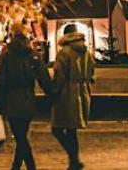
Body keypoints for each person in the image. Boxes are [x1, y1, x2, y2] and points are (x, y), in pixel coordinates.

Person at [0, 22, 51, 170]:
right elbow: (43, 77)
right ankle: (16, 166)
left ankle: (30, 167)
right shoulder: (32, 54)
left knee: (20, 136)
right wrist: (51, 93)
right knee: (21, 134)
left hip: (11, 99)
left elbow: (0, 80)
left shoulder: (6, 55)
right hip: (28, 98)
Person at [51, 25, 95, 170]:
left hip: (67, 93)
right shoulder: (86, 52)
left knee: (57, 128)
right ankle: (74, 161)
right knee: (71, 130)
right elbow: (91, 72)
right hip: (83, 92)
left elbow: (60, 76)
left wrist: (54, 91)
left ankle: (74, 158)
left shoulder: (64, 52)